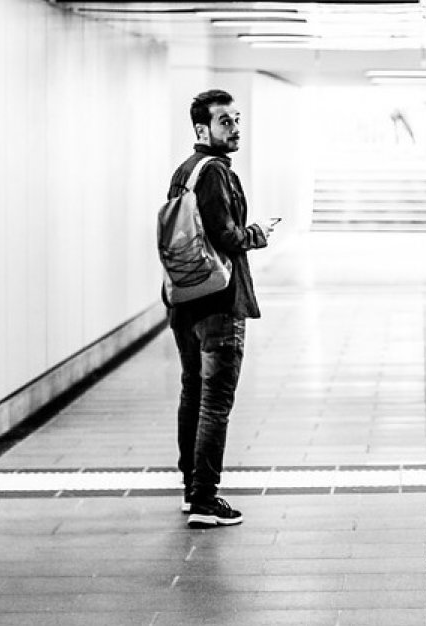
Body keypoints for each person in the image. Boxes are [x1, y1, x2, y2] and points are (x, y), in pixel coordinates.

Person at [165, 89, 276, 529]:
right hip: (218, 302)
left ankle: (192, 490)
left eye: (236, 120)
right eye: (225, 122)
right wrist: (258, 232)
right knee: (215, 401)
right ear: (201, 129)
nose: (235, 129)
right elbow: (226, 238)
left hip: (183, 299)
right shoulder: (215, 174)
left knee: (193, 392)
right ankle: (205, 500)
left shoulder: (184, 172)